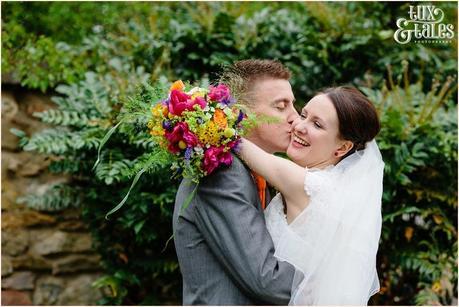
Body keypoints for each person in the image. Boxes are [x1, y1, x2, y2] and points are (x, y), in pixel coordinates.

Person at [239, 86, 384, 305]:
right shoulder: (336, 190)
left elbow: (235, 142)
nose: (299, 126)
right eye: (304, 115)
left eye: (317, 124)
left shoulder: (310, 185)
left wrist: (201, 113)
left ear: (342, 148)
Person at [173, 59, 299, 305]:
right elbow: (266, 279)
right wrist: (330, 283)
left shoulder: (257, 171)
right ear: (243, 111)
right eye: (281, 106)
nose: (295, 118)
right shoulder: (222, 174)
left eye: (293, 105)